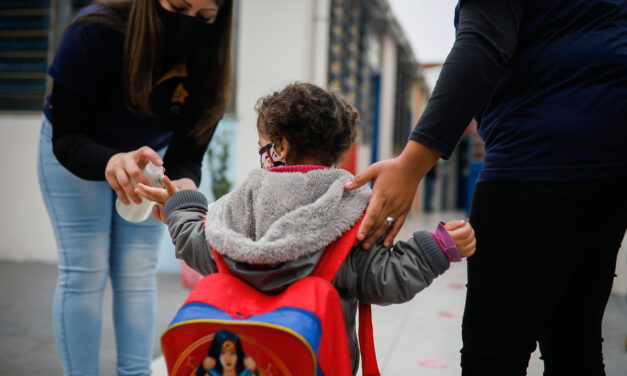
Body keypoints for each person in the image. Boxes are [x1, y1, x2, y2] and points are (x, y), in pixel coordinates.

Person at [345, 0, 627, 374]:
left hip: (536, 161)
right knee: (575, 342)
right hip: (613, 169)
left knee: (493, 354)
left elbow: (483, 46)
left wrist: (411, 166)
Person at [136, 83, 476, 374]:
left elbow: (200, 245)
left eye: (262, 145)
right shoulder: (348, 212)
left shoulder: (242, 204)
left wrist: (180, 207)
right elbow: (384, 279)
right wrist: (437, 248)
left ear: (279, 147)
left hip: (246, 360)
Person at [37, 0, 233, 374]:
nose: (189, 23)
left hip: (148, 158)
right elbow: (67, 137)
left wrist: (181, 192)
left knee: (136, 271)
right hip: (78, 150)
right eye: (178, 5)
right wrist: (111, 160)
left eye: (206, 16)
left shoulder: (210, 64)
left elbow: (188, 154)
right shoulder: (92, 32)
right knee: (85, 270)